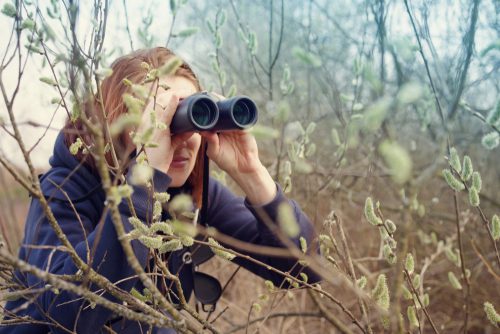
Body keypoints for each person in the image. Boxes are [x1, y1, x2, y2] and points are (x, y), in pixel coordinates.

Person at [1, 47, 319, 333]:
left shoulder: (190, 191)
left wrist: (253, 174)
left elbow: (302, 270)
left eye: (193, 119)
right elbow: (69, 316)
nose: (181, 138)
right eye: (162, 122)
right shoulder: (67, 187)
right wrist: (144, 186)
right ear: (119, 127)